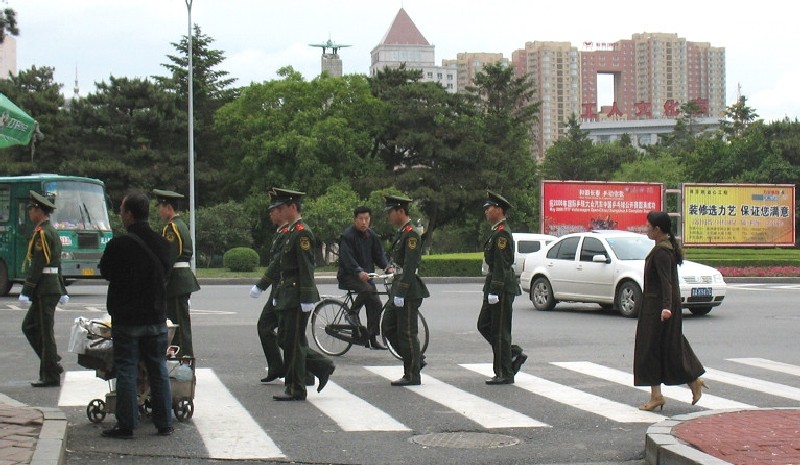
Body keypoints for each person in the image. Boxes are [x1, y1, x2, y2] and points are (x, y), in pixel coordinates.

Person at [98, 191, 174, 438]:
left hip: (127, 319)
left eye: (121, 210)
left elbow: (106, 271)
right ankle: (164, 423)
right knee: (158, 369)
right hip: (155, 317)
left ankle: (127, 424)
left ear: (129, 214)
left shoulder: (119, 245)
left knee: (127, 370)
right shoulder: (163, 243)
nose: (121, 214)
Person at [634, 210, 708, 411]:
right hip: (657, 307)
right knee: (663, 349)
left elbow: (667, 283)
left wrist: (666, 308)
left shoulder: (661, 252)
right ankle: (661, 393)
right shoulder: (663, 248)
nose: (646, 229)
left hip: (658, 309)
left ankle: (680, 386)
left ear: (658, 229)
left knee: (652, 349)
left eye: (649, 226)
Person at [269, 188, 335, 401]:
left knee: (294, 343)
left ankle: (296, 387)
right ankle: (322, 366)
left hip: (298, 295)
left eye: (281, 207)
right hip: (289, 294)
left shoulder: (302, 232)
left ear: (292, 207)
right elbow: (282, 266)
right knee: (286, 339)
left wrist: (306, 297)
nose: (279, 211)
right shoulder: (291, 232)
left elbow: (306, 268)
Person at [477, 190, 526, 385]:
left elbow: (502, 264)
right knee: (484, 325)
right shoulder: (497, 231)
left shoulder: (503, 233)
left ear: (498, 209)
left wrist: (495, 290)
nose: (486, 212)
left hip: (501, 287)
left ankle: (505, 372)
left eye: (488, 208)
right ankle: (512, 353)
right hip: (494, 285)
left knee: (500, 331)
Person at [20, 191, 68, 387]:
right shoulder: (52, 231)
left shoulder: (42, 233)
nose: (30, 213)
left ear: (38, 210)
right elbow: (57, 263)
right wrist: (63, 289)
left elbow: (38, 264)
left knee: (45, 332)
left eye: (31, 209)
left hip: (45, 289)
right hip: (51, 287)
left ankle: (50, 375)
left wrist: (26, 291)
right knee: (30, 327)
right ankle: (51, 362)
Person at [381, 194, 429, 386]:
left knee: (407, 333)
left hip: (407, 291)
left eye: (391, 212)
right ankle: (414, 361)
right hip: (399, 287)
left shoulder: (411, 234)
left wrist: (400, 292)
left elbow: (410, 267)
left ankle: (412, 374)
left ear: (401, 211)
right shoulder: (403, 233)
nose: (389, 217)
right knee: (388, 328)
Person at [152, 189, 200, 358]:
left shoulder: (172, 228)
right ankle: (183, 357)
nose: (159, 211)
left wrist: (160, 282)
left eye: (161, 207)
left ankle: (182, 358)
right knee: (180, 322)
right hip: (182, 279)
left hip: (176, 281)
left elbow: (168, 258)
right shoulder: (181, 225)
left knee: (177, 324)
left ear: (169, 207)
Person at [337, 206, 393, 350]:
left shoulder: (371, 236)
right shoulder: (347, 236)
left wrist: (387, 267)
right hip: (349, 276)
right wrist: (358, 271)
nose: (363, 222)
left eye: (366, 219)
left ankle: (371, 338)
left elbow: (379, 255)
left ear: (370, 219)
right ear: (355, 219)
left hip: (366, 277)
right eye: (360, 219)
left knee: (376, 304)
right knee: (368, 291)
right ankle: (352, 313)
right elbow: (347, 258)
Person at [250, 200, 290, 383]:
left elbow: (278, 263)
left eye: (273, 211)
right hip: (278, 288)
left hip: (285, 289)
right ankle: (277, 366)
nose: (271, 215)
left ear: (282, 211)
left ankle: (317, 367)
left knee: (288, 335)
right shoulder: (281, 232)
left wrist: (261, 284)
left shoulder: (289, 233)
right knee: (267, 326)